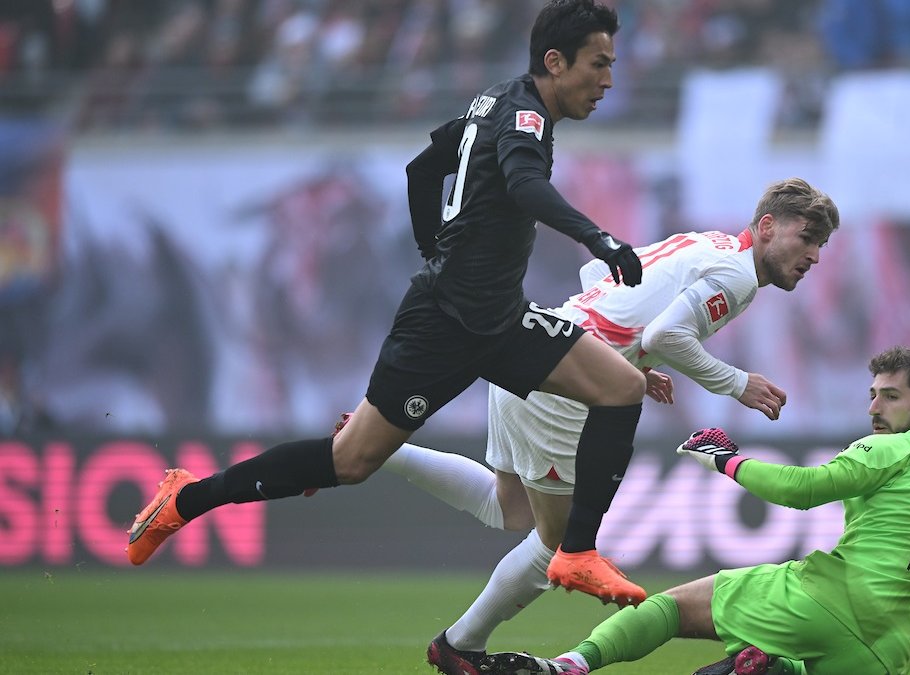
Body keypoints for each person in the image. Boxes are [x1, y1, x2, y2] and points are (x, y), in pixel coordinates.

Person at [125, 0, 652, 606]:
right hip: (446, 324)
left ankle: (577, 554)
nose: (608, 81)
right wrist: (599, 238)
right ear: (555, 62)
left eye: (611, 66)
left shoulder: (495, 102)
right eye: (598, 64)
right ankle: (187, 498)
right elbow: (524, 184)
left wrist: (435, 250)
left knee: (621, 387)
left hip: (500, 318)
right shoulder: (525, 119)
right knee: (350, 461)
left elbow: (421, 169)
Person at [358, 177, 839, 675]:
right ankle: (460, 645)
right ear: (767, 226)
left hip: (538, 346)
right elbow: (666, 334)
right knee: (557, 541)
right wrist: (737, 383)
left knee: (511, 507)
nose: (814, 255)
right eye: (806, 238)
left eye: (821, 244)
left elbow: (600, 275)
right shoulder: (738, 277)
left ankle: (377, 447)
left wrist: (626, 364)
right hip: (558, 388)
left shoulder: (707, 244)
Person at [482, 346, 910, 675]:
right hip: (884, 661)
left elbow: (805, 489)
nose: (873, 408)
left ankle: (570, 666)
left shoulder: (893, 449)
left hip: (819, 604)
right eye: (873, 394)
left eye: (890, 397)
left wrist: (727, 460)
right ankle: (776, 668)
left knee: (671, 607)